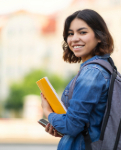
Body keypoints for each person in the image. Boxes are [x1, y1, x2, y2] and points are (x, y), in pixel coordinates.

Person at [39, 9, 114, 150]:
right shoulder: (104, 68)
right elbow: (86, 126)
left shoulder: (92, 73)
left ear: (99, 37)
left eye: (83, 32)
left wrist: (48, 113)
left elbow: (72, 126)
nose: (74, 39)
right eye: (70, 33)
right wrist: (61, 130)